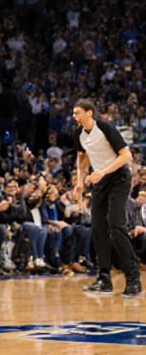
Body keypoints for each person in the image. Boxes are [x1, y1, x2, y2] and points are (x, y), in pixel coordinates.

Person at [71, 99, 142, 297]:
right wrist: (79, 182)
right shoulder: (78, 134)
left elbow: (126, 156)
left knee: (115, 224)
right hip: (99, 180)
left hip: (118, 178)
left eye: (77, 113)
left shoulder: (105, 127)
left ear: (89, 112)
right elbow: (82, 159)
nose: (74, 117)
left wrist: (102, 171)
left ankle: (133, 277)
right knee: (98, 226)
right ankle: (104, 278)